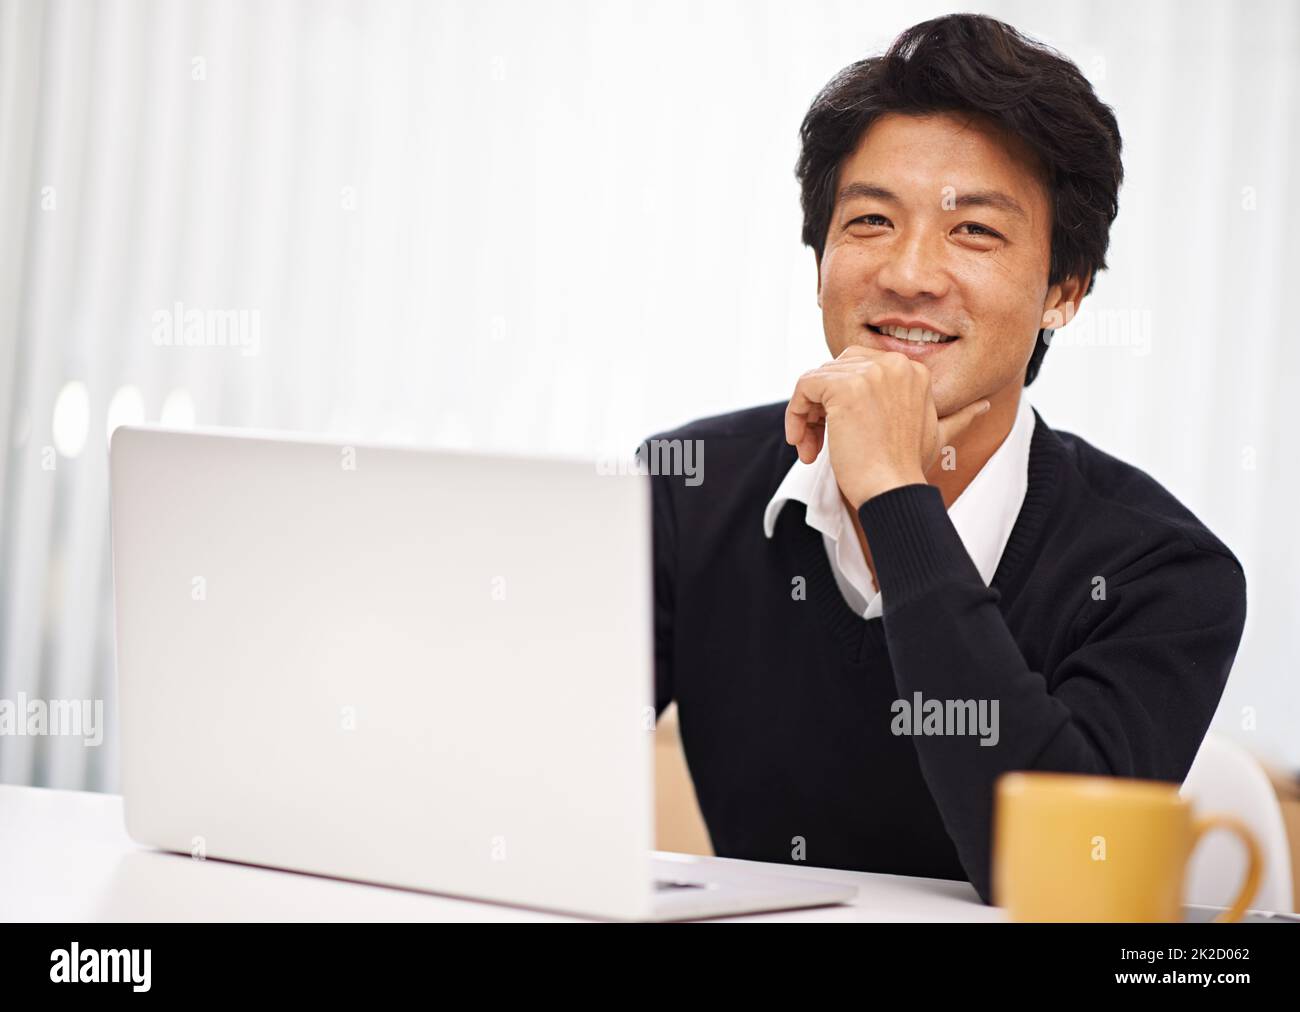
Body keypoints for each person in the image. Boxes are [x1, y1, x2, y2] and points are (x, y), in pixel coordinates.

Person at [642, 13, 1247, 904]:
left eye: (975, 234)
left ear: (1063, 294)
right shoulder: (688, 487)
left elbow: (1052, 876)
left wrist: (895, 492)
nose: (909, 273)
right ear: (820, 264)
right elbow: (533, 779)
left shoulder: (1163, 571)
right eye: (872, 220)